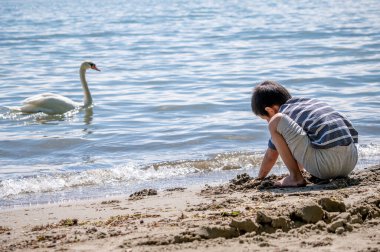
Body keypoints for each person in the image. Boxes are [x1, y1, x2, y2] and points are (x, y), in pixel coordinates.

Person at [251, 80, 358, 187]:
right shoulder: (309, 104)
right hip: (351, 162)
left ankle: (295, 177)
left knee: (275, 122)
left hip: (326, 166)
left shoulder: (283, 114)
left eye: (265, 118)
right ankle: (300, 173)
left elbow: (271, 155)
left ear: (270, 110)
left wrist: (260, 178)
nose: (267, 121)